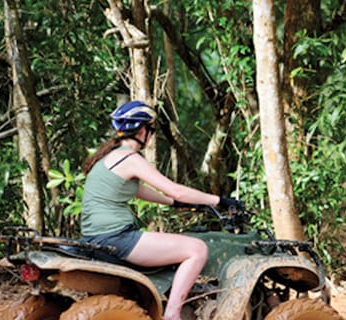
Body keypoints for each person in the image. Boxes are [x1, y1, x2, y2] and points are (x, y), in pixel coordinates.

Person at [80, 100, 242, 320]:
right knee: (197, 249)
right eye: (151, 130)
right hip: (118, 237)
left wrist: (176, 203)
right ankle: (172, 314)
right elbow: (176, 189)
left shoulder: (108, 158)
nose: (151, 135)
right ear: (142, 130)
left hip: (95, 238)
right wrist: (220, 200)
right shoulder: (130, 158)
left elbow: (140, 191)